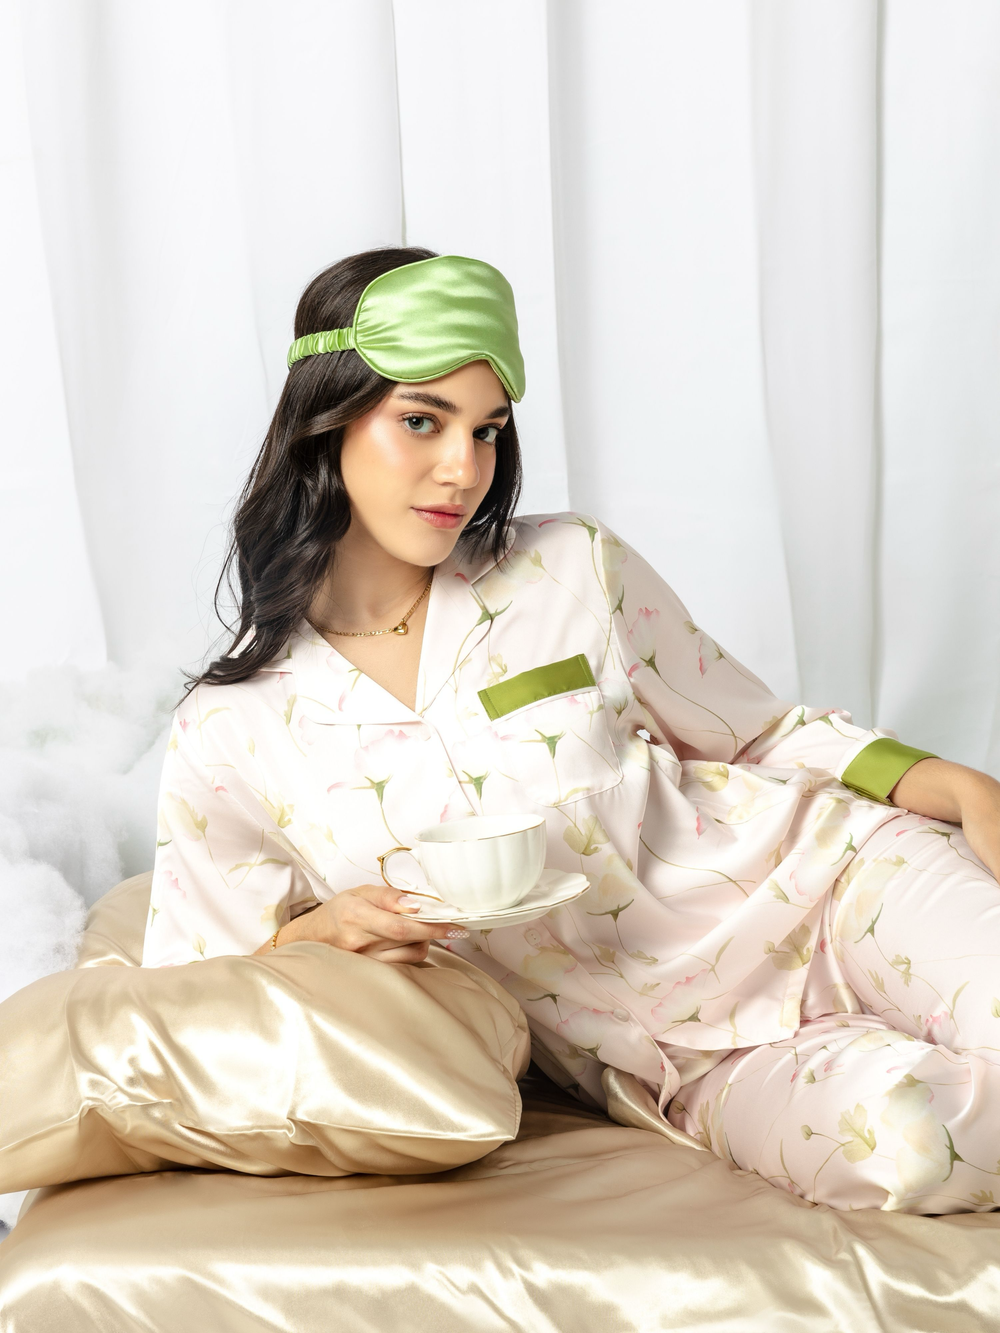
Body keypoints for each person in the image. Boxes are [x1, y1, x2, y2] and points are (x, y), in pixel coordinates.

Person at [144, 245, 1000, 1215]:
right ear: (324, 419)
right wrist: (316, 936)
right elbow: (194, 989)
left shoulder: (568, 566)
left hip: (834, 884)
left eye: (487, 430)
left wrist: (953, 784)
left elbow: (758, 733)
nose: (463, 468)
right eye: (422, 420)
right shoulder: (231, 730)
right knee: (915, 1147)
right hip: (681, 1057)